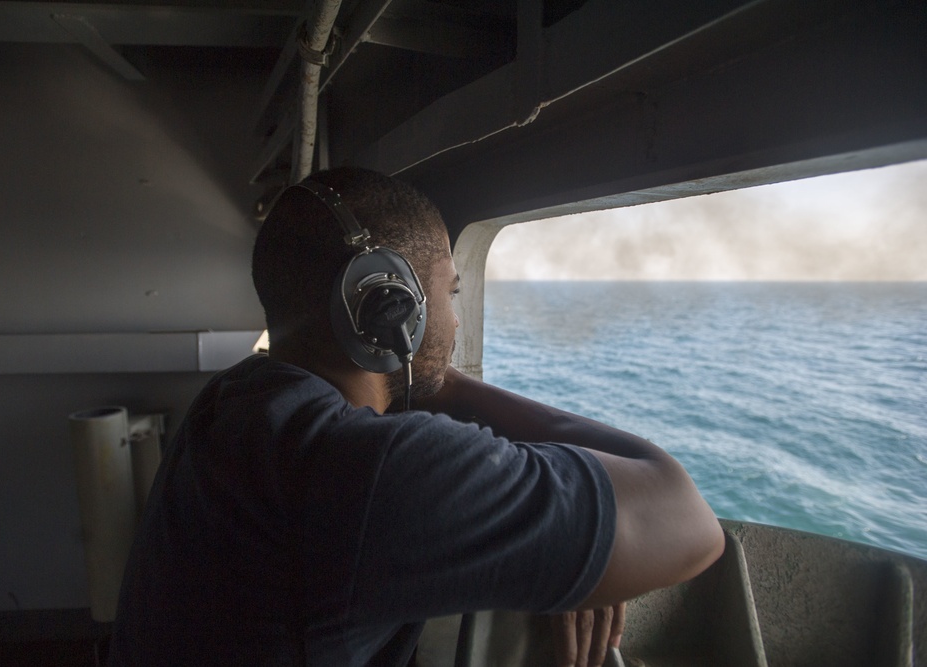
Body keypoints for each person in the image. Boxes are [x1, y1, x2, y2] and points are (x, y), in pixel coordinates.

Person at [107, 167, 724, 667]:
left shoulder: (237, 400)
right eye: (450, 293)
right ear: (386, 307)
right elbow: (689, 522)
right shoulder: (357, 469)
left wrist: (560, 566)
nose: (454, 322)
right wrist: (435, 377)